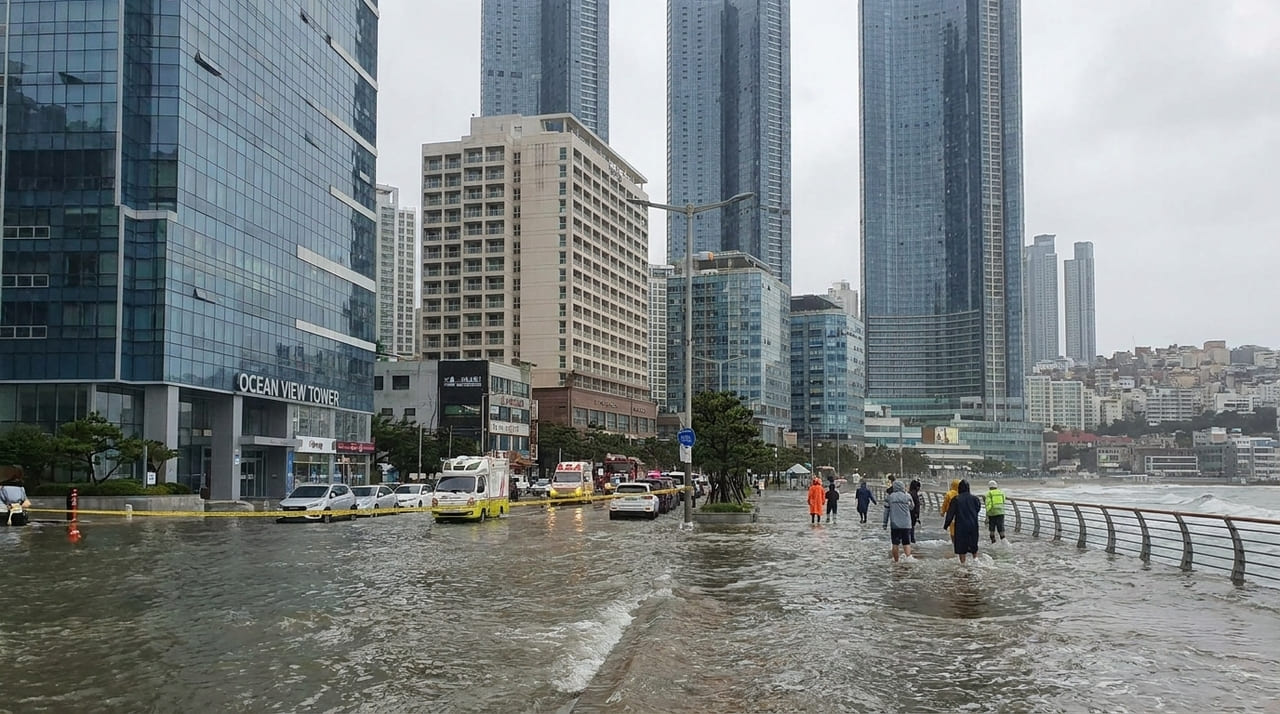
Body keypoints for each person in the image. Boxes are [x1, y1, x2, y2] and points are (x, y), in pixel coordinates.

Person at [943, 479, 983, 563]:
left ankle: (963, 563)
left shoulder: (956, 499)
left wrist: (946, 525)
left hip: (961, 526)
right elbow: (978, 509)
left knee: (961, 547)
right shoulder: (975, 499)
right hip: (973, 525)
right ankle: (975, 560)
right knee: (973, 544)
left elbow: (950, 513)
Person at [881, 480, 915, 561]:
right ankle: (908, 560)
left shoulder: (890, 497)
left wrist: (885, 523)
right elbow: (912, 507)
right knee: (906, 543)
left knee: (895, 543)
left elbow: (886, 511)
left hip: (895, 524)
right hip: (906, 524)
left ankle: (896, 561)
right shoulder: (907, 496)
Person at [908, 479, 922, 544]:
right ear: (917, 487)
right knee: (912, 527)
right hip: (913, 513)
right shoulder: (914, 494)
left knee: (909, 527)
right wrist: (917, 515)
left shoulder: (909, 493)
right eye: (919, 487)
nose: (919, 489)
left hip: (908, 513)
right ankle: (912, 541)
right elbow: (917, 506)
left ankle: (909, 541)